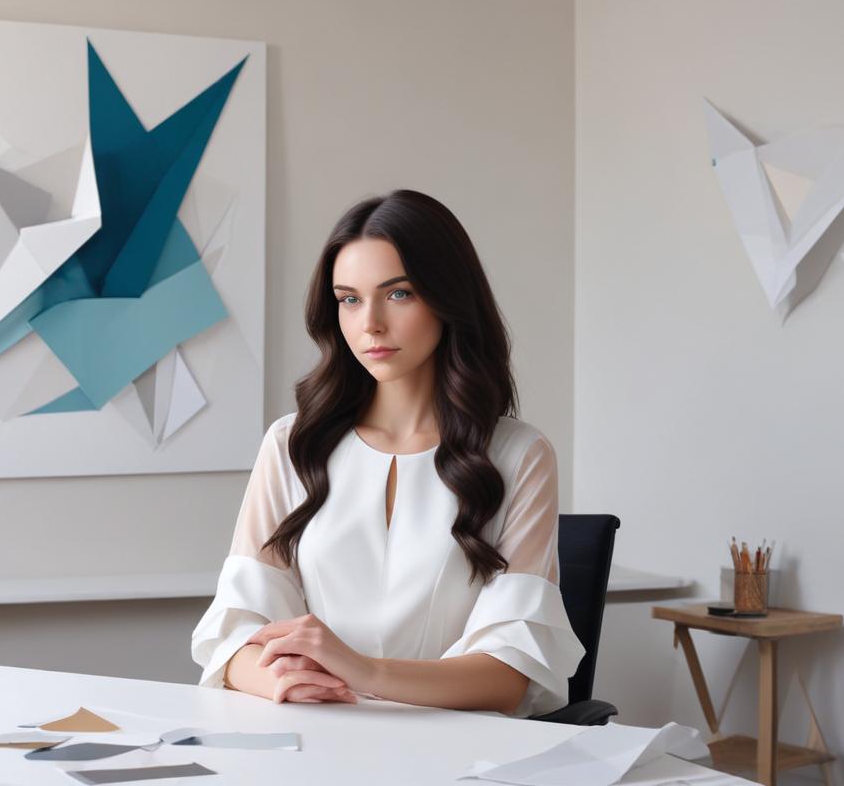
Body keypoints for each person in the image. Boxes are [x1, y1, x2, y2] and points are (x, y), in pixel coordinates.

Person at [190, 190, 584, 718]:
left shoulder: (519, 455)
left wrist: (362, 671)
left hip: (455, 753)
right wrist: (282, 682)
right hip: (315, 739)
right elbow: (233, 635)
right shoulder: (293, 445)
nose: (370, 323)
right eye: (349, 299)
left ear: (448, 299)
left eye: (398, 294)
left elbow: (510, 675)